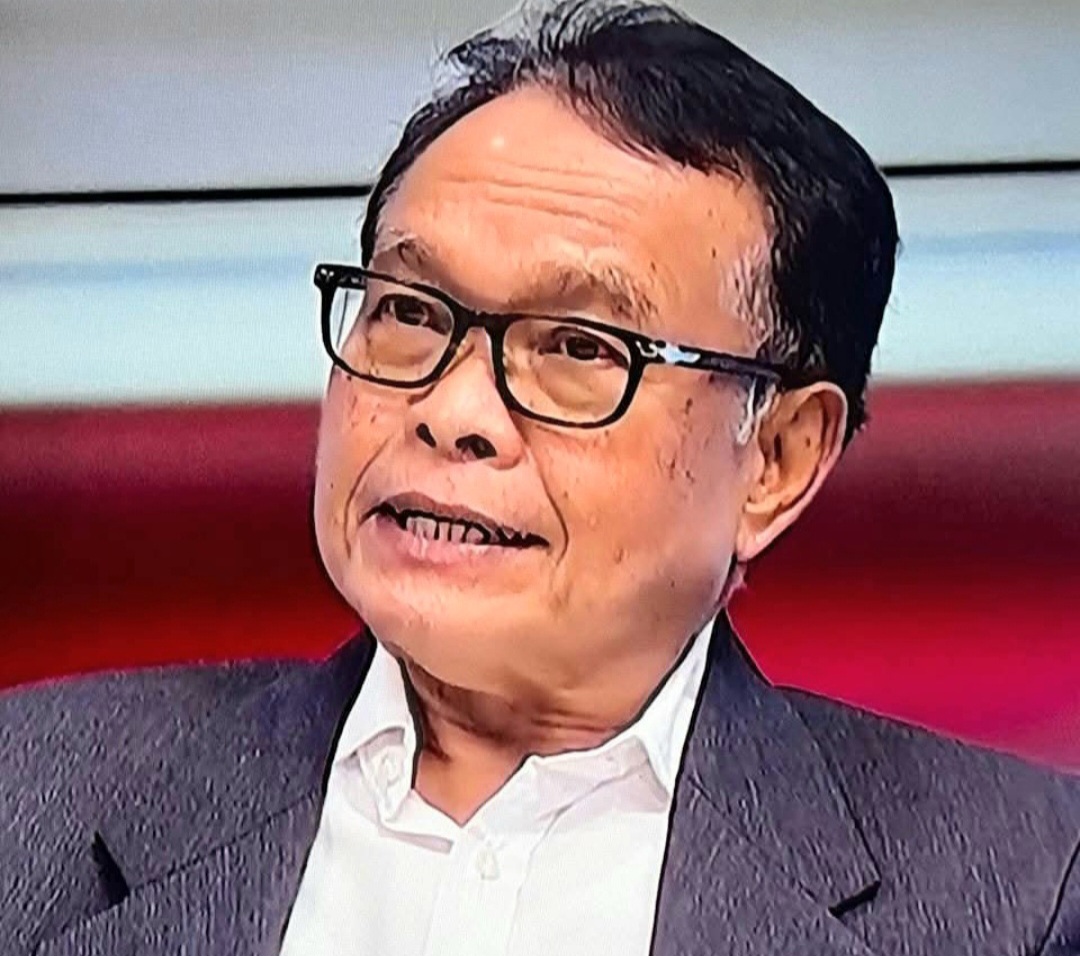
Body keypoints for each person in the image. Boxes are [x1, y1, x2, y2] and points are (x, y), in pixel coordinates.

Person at [2, 2, 1078, 954]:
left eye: (576, 346)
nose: (454, 410)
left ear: (778, 459)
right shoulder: (34, 792)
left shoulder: (1023, 889)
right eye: (409, 310)